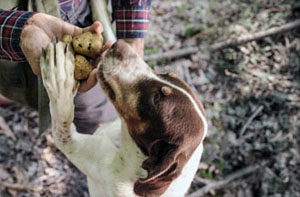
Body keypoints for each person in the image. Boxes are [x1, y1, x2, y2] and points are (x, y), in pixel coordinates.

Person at [0, 0, 151, 134]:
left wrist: (132, 31)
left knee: (98, 124)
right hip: (11, 24)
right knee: (13, 81)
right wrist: (19, 31)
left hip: (80, 15)